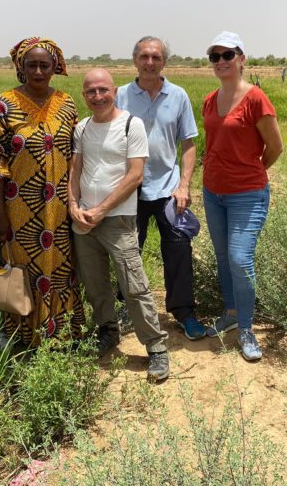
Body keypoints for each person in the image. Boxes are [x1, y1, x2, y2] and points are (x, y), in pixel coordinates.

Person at [69, 69, 170, 382]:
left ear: (114, 91)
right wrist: (73, 206)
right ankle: (107, 331)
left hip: (117, 219)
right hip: (84, 218)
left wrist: (101, 209)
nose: (98, 97)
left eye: (103, 90)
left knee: (134, 284)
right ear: (84, 95)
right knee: (95, 282)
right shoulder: (82, 128)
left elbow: (135, 175)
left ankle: (156, 347)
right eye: (90, 92)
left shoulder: (130, 124)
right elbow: (76, 170)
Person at [0, 37, 85, 347]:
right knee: (21, 271)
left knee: (60, 269)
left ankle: (62, 337)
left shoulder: (66, 104)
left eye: (45, 65)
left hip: (60, 208)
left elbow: (77, 156)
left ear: (55, 67)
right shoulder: (5, 104)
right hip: (19, 211)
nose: (38, 71)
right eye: (32, 65)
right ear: (20, 67)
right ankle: (21, 338)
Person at [115, 36, 206, 340]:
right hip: (132, 188)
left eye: (156, 57)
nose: (150, 63)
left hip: (168, 188)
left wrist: (184, 185)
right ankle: (127, 310)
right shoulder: (120, 96)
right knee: (128, 250)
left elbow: (189, 143)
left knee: (178, 248)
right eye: (144, 56)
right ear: (134, 60)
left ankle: (183, 312)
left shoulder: (178, 95)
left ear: (164, 61)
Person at [202, 31, 283, 361]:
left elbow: (275, 147)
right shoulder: (210, 99)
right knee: (223, 256)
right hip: (213, 191)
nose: (221, 61)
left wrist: (251, 171)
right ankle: (231, 313)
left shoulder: (255, 100)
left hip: (247, 194)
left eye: (228, 55)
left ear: (242, 59)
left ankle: (247, 328)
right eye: (215, 56)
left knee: (239, 257)